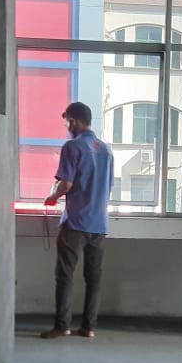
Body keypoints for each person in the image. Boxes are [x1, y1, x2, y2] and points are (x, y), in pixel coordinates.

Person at [40, 101, 114, 341]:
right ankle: (89, 327)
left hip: (75, 223)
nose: (67, 128)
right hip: (99, 224)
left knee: (65, 275)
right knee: (93, 278)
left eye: (67, 122)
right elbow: (108, 186)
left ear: (73, 121)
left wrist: (52, 198)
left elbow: (66, 184)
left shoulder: (72, 147)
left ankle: (62, 326)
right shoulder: (106, 150)